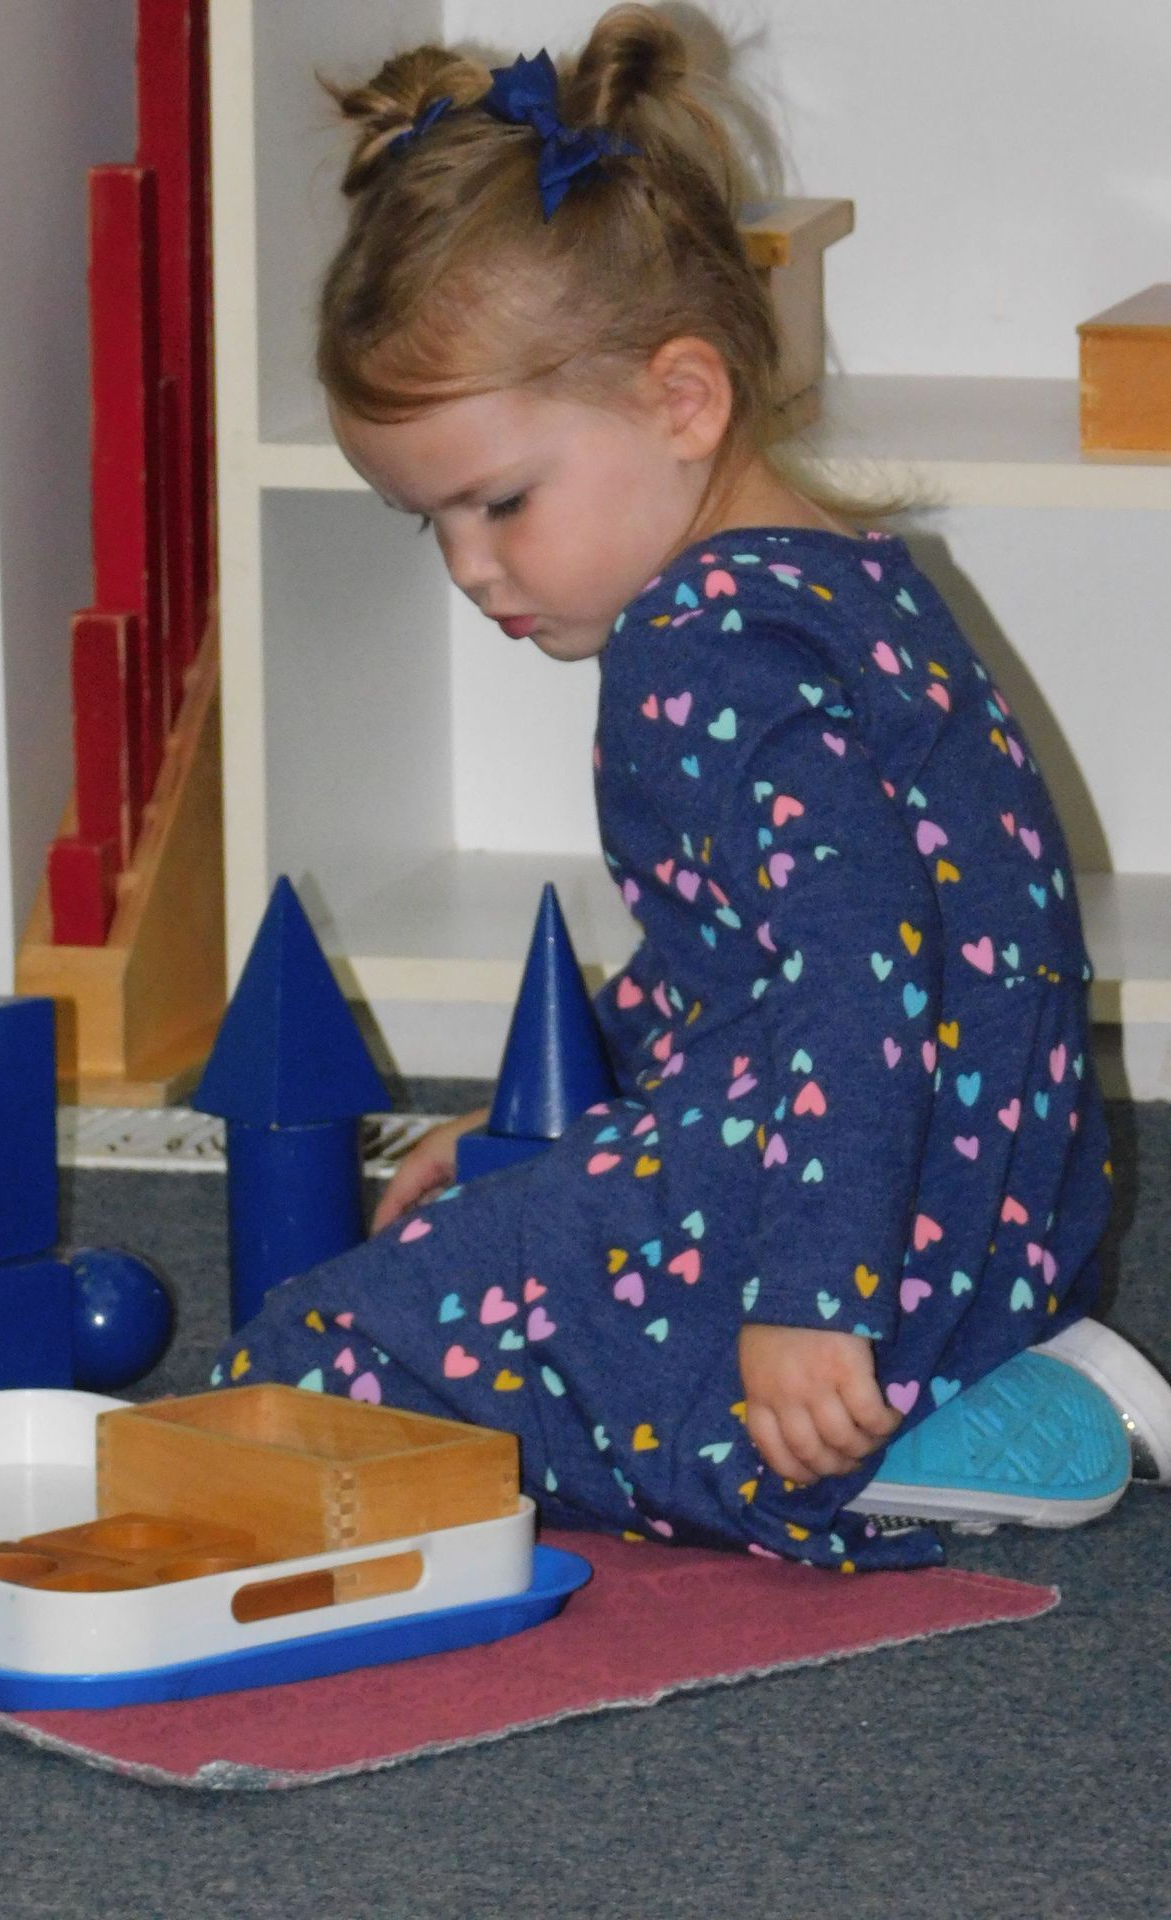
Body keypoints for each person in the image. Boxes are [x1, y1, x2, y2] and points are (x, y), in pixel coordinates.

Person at [210, 6, 1168, 1569]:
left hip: (848, 1230)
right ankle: (972, 1375)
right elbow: (770, 957)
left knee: (328, 1355)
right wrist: (561, 1108)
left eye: (500, 502)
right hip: (992, 1210)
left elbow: (857, 988)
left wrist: (810, 1306)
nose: (472, 569)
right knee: (492, 1244)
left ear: (682, 398)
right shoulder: (846, 581)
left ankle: (869, 1451)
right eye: (429, 525)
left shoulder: (697, 656)